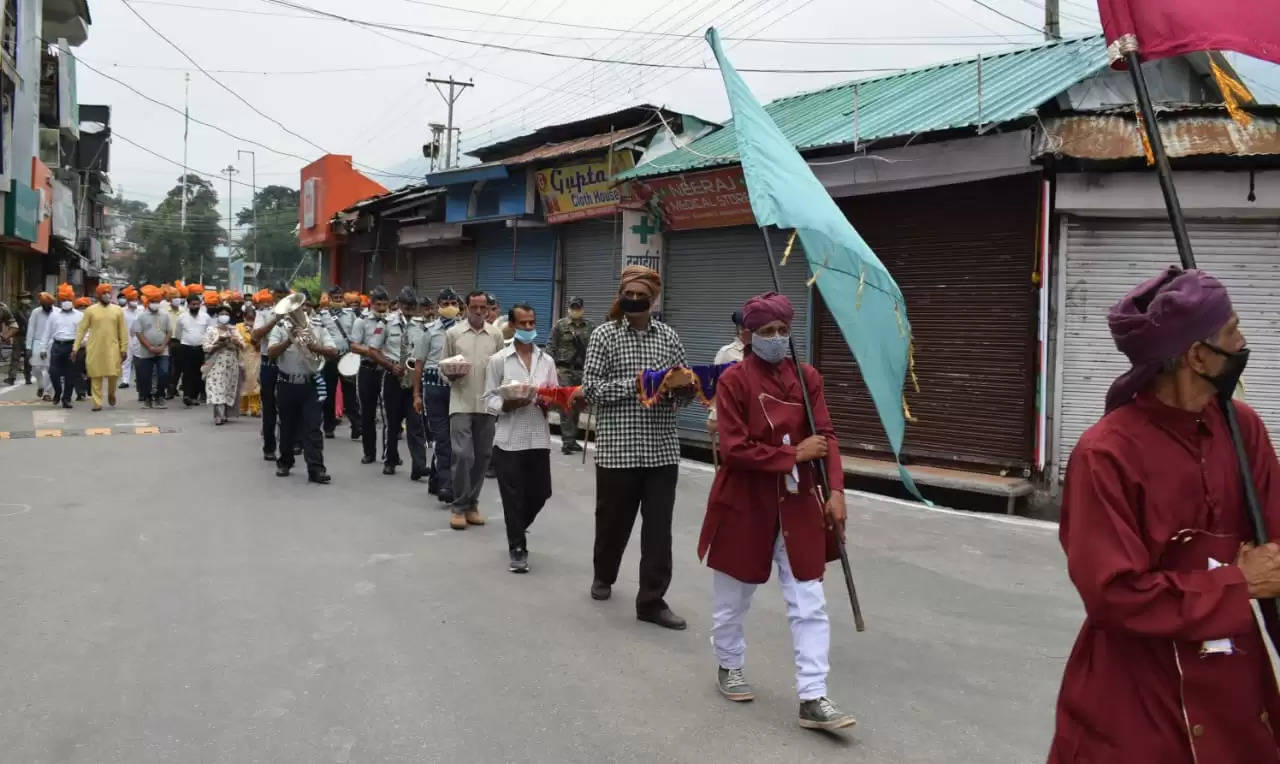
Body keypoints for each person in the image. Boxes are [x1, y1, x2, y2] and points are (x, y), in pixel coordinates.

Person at [1045, 267, 1280, 762]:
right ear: (1198, 356)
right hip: (1134, 700)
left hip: (1236, 692)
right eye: (1233, 329)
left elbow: (1276, 554)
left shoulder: (1244, 429)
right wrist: (1238, 584)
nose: (1244, 341)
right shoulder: (1105, 454)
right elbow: (1114, 594)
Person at [697, 292, 856, 731]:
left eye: (783, 330)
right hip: (745, 502)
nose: (776, 338)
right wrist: (792, 455)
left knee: (810, 602)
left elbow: (827, 436)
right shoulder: (733, 382)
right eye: (767, 332)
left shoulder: (808, 378)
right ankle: (729, 664)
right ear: (748, 336)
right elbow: (733, 448)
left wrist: (837, 491)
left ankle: (813, 695)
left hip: (800, 502)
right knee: (733, 601)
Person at [580, 265, 694, 630]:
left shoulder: (669, 337)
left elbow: (682, 388)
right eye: (627, 294)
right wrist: (639, 383)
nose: (632, 299)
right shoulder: (604, 336)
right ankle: (604, 574)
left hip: (661, 450)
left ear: (652, 297)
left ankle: (651, 601)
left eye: (639, 294)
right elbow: (593, 389)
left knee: (659, 530)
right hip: (618, 450)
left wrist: (681, 390)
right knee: (612, 522)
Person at [483, 303, 558, 572]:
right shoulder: (499, 360)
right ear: (512, 326)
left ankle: (516, 527)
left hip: (538, 437)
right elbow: (488, 400)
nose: (528, 328)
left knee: (541, 492)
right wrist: (508, 404)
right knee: (512, 496)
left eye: (532, 323)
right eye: (523, 324)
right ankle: (517, 548)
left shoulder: (546, 361)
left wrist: (551, 400)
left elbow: (555, 393)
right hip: (508, 440)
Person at [443, 290, 505, 531]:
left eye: (483, 307)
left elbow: (502, 368)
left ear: (488, 309)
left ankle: (472, 504)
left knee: (482, 457)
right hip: (461, 402)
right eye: (474, 307)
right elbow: (442, 367)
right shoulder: (453, 334)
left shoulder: (496, 335)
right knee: (463, 455)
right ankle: (458, 507)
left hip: (488, 404)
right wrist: (451, 373)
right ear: (466, 307)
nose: (479, 311)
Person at [266, 290, 337, 484]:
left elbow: (332, 351)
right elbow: (271, 353)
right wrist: (289, 340)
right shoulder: (281, 327)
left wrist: (313, 347)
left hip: (311, 383)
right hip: (287, 384)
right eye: (298, 307)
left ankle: (316, 469)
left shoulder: (318, 327)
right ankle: (285, 462)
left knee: (313, 427)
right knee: (287, 426)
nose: (302, 310)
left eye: (305, 306)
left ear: (310, 308)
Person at [412, 287, 461, 504]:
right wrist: (416, 394)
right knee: (443, 439)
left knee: (453, 439)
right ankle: (446, 485)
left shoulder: (464, 330)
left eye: (453, 303)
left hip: (457, 389)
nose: (449, 307)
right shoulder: (429, 331)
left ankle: (435, 478)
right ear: (437, 306)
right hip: (434, 390)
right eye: (445, 303)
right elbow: (418, 365)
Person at [380, 286, 428, 478]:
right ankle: (390, 460)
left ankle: (419, 466)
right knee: (392, 423)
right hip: (392, 377)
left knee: (416, 423)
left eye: (412, 305)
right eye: (406, 304)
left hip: (414, 380)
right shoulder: (386, 323)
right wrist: (390, 365)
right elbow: (374, 349)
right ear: (399, 304)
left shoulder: (422, 327)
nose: (409, 307)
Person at [348, 286, 393, 466]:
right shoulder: (362, 321)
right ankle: (369, 452)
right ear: (372, 304)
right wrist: (373, 351)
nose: (382, 308)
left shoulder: (393, 321)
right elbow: (354, 346)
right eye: (378, 304)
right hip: (368, 369)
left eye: (385, 304)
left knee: (390, 414)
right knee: (367, 413)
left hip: (387, 369)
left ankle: (390, 454)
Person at [547, 295, 594, 454]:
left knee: (577, 406)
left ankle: (572, 439)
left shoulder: (590, 327)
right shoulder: (560, 326)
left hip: (582, 371)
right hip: (564, 370)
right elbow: (551, 347)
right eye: (573, 307)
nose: (575, 310)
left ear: (582, 308)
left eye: (578, 308)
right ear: (569, 308)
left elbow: (595, 350)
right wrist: (552, 369)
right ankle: (567, 441)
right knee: (566, 405)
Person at [251, 281, 291, 461]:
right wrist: (275, 319)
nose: (281, 299)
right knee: (269, 407)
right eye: (279, 296)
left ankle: (288, 446)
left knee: (288, 407)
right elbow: (255, 336)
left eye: (285, 296)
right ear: (273, 296)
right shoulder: (264, 313)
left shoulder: (297, 314)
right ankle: (269, 447)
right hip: (270, 362)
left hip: (289, 362)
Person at [73, 284, 129, 412]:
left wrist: (124, 348)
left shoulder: (117, 310)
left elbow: (123, 331)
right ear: (98, 295)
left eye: (109, 293)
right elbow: (81, 330)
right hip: (95, 348)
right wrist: (75, 348)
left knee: (113, 374)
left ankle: (111, 393)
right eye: (104, 293)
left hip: (112, 348)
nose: (107, 295)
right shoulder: (90, 310)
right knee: (95, 375)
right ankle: (97, 402)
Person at [708, 310, 750, 437]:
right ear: (740, 329)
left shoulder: (761, 352)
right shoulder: (727, 352)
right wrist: (714, 416)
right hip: (733, 416)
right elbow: (716, 386)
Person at [202, 303, 246, 425]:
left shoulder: (234, 330)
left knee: (228, 388)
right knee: (216, 387)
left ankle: (225, 414)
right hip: (216, 362)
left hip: (231, 363)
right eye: (222, 314)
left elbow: (244, 346)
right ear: (217, 315)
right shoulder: (211, 330)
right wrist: (218, 344)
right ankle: (218, 415)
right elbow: (205, 347)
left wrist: (236, 341)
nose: (224, 316)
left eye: (226, 314)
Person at [39, 289, 83, 409]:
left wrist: (79, 347)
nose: (66, 302)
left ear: (73, 300)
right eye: (64, 300)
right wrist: (43, 348)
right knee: (53, 372)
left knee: (70, 374)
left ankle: (66, 399)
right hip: (57, 345)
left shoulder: (79, 315)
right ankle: (58, 392)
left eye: (69, 300)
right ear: (60, 301)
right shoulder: (54, 315)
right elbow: (47, 332)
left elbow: (84, 332)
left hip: (72, 346)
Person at [132, 288, 171, 409]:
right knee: (145, 376)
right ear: (148, 302)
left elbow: (169, 332)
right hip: (145, 351)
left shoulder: (165, 315)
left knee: (164, 373)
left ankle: (160, 396)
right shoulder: (141, 316)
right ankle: (147, 398)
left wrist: (163, 346)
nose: (155, 303)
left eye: (157, 301)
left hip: (162, 350)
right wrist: (149, 346)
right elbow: (138, 333)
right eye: (153, 301)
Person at [175, 291, 213, 406]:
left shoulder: (205, 317)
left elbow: (209, 333)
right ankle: (187, 395)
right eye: (192, 304)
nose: (195, 306)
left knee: (198, 373)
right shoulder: (182, 317)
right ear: (188, 305)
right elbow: (178, 334)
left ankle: (194, 396)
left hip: (200, 348)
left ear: (200, 305)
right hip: (186, 347)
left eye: (197, 304)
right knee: (187, 372)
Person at [27, 291, 54, 398]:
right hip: (37, 342)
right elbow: (31, 329)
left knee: (49, 369)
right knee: (35, 368)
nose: (47, 307)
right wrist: (28, 346)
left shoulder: (57, 312)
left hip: (51, 342)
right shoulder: (35, 312)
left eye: (49, 305)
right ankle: (41, 386)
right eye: (44, 305)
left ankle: (47, 392)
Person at [238, 303, 262, 416]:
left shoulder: (259, 327)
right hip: (242, 356)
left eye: (253, 316)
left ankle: (255, 408)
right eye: (248, 316)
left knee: (254, 382)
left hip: (255, 356)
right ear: (244, 316)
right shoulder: (238, 327)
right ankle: (243, 407)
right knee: (244, 382)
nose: (250, 318)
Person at [4, 290, 32, 385]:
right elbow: (10, 324)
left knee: (28, 358)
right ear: (19, 299)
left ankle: (28, 377)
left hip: (29, 337)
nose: (25, 299)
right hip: (18, 336)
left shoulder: (32, 311)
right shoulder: (15, 311)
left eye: (27, 297)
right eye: (23, 298)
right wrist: (8, 336)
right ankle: (12, 377)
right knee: (15, 357)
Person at [119, 286, 142, 389]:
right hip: (126, 337)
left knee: (139, 360)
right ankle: (125, 381)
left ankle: (139, 379)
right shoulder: (121, 311)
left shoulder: (142, 310)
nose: (134, 301)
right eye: (132, 300)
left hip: (140, 338)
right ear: (127, 301)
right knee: (126, 360)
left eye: (136, 299)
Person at [72, 296, 90, 400]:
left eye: (85, 306)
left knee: (90, 370)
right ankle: (80, 392)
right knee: (77, 371)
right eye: (80, 306)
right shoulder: (73, 318)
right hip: (77, 348)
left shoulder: (93, 318)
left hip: (91, 348)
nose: (83, 309)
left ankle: (89, 387)